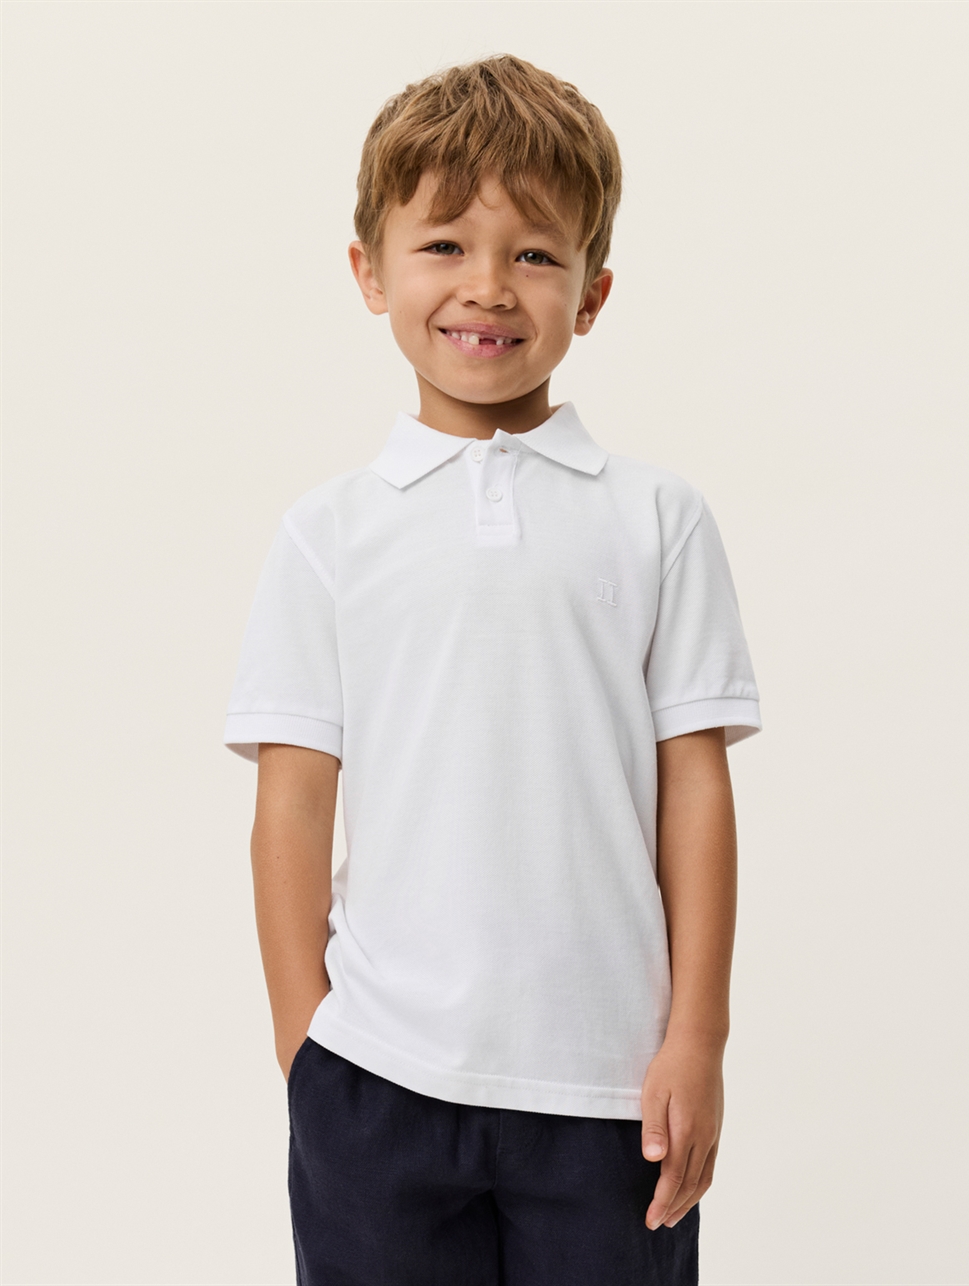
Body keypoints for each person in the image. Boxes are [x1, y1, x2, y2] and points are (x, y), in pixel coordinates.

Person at [224, 53, 761, 1286]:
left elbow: (694, 787)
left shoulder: (657, 518)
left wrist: (697, 1035)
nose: (487, 285)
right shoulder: (328, 533)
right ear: (369, 270)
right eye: (443, 244)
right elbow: (291, 802)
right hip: (378, 1078)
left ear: (593, 291)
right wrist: (307, 1048)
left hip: (609, 1088)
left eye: (532, 253)